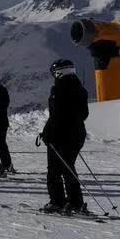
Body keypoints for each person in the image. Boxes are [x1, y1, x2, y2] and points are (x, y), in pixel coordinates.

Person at [37, 59, 90, 214]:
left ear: (59, 72)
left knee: (54, 170)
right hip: (78, 134)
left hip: (60, 136)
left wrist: (47, 133)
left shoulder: (58, 89)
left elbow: (56, 115)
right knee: (68, 167)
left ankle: (58, 202)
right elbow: (84, 114)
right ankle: (75, 201)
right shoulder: (80, 89)